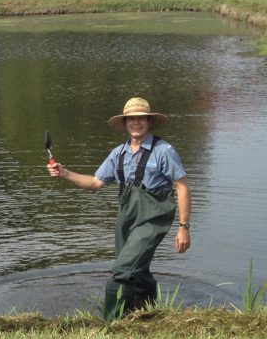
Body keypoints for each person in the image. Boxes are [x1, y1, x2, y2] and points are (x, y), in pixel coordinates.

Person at [46, 97, 191, 318]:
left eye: (140, 119)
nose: (136, 123)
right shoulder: (118, 154)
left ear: (149, 122)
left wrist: (183, 228)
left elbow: (182, 187)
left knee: (121, 271)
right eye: (131, 119)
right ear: (125, 124)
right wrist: (65, 173)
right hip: (127, 218)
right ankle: (149, 313)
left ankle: (112, 324)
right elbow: (95, 183)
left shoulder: (164, 151)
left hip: (154, 219)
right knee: (136, 271)